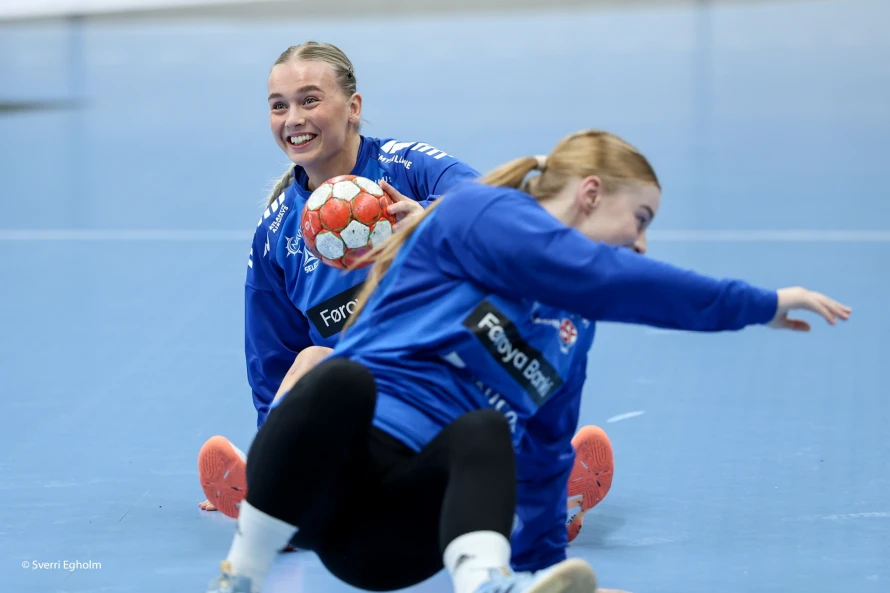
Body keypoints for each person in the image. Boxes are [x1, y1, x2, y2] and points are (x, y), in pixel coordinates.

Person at [204, 128, 851, 593]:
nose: (642, 243)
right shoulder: (479, 215)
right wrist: (759, 303)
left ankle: (491, 583)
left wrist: (548, 569)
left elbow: (544, 456)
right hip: (325, 488)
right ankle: (242, 574)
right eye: (640, 218)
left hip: (395, 540)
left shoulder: (571, 327)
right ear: (591, 193)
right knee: (335, 375)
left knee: (489, 431)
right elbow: (609, 277)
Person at [197, 41, 615, 544]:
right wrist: (269, 448)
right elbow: (271, 357)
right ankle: (271, 492)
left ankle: (541, 483)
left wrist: (429, 219)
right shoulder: (275, 234)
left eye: (310, 100)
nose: (294, 118)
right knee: (311, 359)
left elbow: (494, 208)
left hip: (449, 378)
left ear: (353, 107)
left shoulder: (407, 167)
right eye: (278, 105)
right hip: (363, 409)